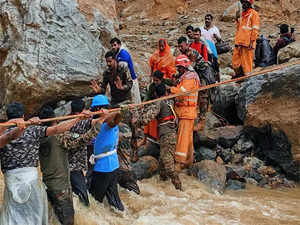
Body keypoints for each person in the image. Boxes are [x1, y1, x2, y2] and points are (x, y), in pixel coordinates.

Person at [0, 102, 87, 225]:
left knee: (13, 218)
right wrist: (78, 118)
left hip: (13, 183)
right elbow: (57, 129)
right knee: (34, 218)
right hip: (31, 182)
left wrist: (12, 124)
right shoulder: (32, 129)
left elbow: (56, 129)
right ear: (23, 116)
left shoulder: (9, 131)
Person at [131, 83, 182, 190]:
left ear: (155, 93)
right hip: (170, 133)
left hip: (167, 135)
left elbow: (148, 118)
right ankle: (163, 183)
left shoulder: (160, 103)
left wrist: (137, 122)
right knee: (163, 161)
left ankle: (179, 187)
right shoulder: (170, 101)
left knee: (168, 164)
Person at [56, 99, 104, 207]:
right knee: (83, 198)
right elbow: (95, 124)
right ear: (81, 111)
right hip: (74, 168)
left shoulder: (64, 123)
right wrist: (103, 116)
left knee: (73, 195)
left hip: (65, 167)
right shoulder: (81, 123)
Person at [89, 95, 125, 211]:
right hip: (113, 165)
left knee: (95, 200)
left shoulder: (109, 123)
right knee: (114, 199)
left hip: (103, 168)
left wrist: (105, 114)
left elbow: (115, 117)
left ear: (97, 109)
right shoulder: (105, 122)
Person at [169, 55, 200, 171]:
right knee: (188, 138)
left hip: (187, 112)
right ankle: (188, 160)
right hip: (186, 112)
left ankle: (179, 162)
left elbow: (182, 93)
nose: (178, 70)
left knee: (183, 138)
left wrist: (171, 89)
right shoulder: (186, 77)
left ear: (185, 67)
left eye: (180, 68)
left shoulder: (190, 78)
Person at [232, 0, 260, 77]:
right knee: (235, 63)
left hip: (247, 44)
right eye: (242, 2)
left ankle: (248, 79)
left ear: (249, 4)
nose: (243, 4)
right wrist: (237, 19)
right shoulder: (241, 14)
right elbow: (239, 28)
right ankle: (240, 76)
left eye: (245, 2)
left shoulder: (254, 14)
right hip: (239, 42)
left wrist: (252, 42)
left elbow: (255, 29)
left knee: (247, 64)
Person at [110, 37, 142, 104]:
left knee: (134, 101)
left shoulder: (123, 53)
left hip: (130, 79)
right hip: (123, 81)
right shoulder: (116, 54)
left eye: (115, 45)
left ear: (119, 45)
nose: (113, 47)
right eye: (112, 45)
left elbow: (123, 66)